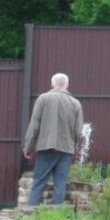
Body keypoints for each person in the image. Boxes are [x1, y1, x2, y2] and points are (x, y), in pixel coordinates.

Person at [23, 72, 84, 205]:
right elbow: (78, 132)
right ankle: (56, 214)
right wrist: (70, 144)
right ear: (67, 85)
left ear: (52, 84)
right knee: (60, 184)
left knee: (38, 182)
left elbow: (34, 126)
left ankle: (31, 213)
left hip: (45, 147)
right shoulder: (75, 104)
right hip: (66, 149)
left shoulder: (42, 99)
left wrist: (28, 147)